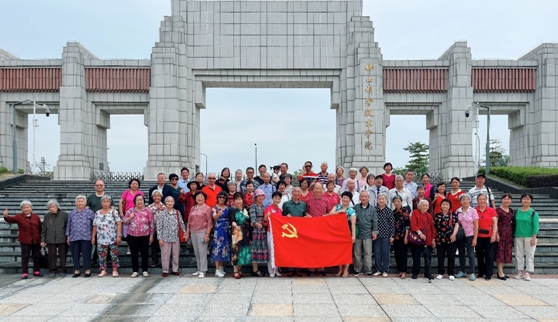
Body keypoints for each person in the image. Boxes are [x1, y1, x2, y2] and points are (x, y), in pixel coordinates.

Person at [4, 201, 43, 279]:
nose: (26, 209)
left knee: (36, 256)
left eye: (28, 207)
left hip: (36, 240)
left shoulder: (36, 217)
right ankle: (25, 272)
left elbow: (40, 228)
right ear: (22, 209)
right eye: (24, 208)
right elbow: (9, 219)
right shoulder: (19, 217)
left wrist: (41, 239)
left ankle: (36, 271)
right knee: (25, 257)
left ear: (31, 208)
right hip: (25, 240)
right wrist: (6, 216)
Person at [123, 194, 154, 278]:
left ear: (144, 201)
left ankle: (145, 270)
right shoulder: (130, 211)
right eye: (137, 200)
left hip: (145, 235)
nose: (139, 201)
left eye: (141, 200)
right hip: (132, 235)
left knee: (144, 253)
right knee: (134, 254)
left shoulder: (148, 211)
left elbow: (151, 223)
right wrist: (129, 218)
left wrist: (151, 235)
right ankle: (135, 270)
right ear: (134, 202)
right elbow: (125, 222)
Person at [327, 191, 356, 277]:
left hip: (347, 232)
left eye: (347, 198)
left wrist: (353, 235)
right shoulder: (337, 207)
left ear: (350, 200)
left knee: (347, 252)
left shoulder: (351, 210)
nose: (345, 199)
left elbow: (353, 223)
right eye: (344, 197)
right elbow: (329, 215)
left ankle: (346, 270)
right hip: (336, 232)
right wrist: (338, 213)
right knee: (338, 251)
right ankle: (340, 269)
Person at [92, 195, 122, 277]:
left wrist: (119, 235)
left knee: (114, 254)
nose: (105, 203)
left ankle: (115, 270)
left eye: (107, 201)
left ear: (110, 203)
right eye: (104, 202)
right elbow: (94, 226)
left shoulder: (113, 212)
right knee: (101, 255)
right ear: (101, 203)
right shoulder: (97, 213)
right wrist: (93, 237)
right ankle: (103, 270)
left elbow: (119, 223)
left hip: (112, 236)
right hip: (101, 237)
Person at [185, 191, 213, 278]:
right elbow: (189, 221)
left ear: (204, 198)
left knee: (202, 252)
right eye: (197, 196)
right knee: (196, 252)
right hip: (193, 232)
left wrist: (207, 234)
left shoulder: (207, 208)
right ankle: (198, 268)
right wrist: (187, 233)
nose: (199, 198)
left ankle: (203, 270)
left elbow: (209, 222)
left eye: (201, 196)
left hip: (202, 232)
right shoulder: (193, 208)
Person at [66, 195, 95, 278]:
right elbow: (69, 225)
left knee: (86, 254)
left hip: (86, 237)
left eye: (82, 201)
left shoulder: (90, 212)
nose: (80, 203)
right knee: (75, 255)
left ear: (85, 203)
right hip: (74, 237)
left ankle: (87, 270)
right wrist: (68, 236)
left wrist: (93, 237)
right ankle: (77, 270)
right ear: (75, 203)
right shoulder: (71, 213)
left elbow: (94, 225)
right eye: (78, 201)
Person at [157, 196, 186, 277]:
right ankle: (165, 270)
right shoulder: (162, 213)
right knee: (165, 254)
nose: (170, 203)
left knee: (175, 254)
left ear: (174, 203)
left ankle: (175, 269)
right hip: (165, 237)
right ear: (165, 203)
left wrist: (184, 233)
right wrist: (160, 238)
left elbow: (182, 224)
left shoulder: (177, 212)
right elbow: (159, 227)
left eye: (171, 201)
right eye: (168, 201)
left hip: (175, 237)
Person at [281, 187, 307, 277]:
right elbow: (281, 217)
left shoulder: (303, 204)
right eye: (294, 191)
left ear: (300, 193)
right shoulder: (286, 204)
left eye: (298, 192)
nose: (296, 193)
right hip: (290, 231)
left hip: (300, 231)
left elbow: (305, 216)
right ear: (292, 193)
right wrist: (286, 216)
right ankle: (290, 269)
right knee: (290, 250)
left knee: (299, 250)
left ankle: (298, 268)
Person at [86, 179, 113, 265]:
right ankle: (94, 257)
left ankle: (108, 256)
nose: (99, 186)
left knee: (107, 240)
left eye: (101, 185)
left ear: (104, 186)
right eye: (97, 185)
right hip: (95, 223)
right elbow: (87, 208)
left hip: (107, 224)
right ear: (94, 186)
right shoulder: (91, 197)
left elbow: (112, 208)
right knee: (96, 240)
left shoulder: (108, 196)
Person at [514, 194, 539, 281]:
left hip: (530, 236)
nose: (526, 200)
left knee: (529, 255)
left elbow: (536, 227)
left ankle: (528, 272)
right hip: (518, 235)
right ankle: (520, 272)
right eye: (524, 199)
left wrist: (534, 238)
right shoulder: (517, 212)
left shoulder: (533, 213)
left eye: (528, 199)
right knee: (518, 254)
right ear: (521, 200)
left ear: (531, 201)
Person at [352, 191, 378, 277]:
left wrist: (375, 232)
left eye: (365, 197)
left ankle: (368, 270)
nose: (364, 198)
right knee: (357, 253)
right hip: (358, 233)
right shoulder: (355, 208)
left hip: (368, 234)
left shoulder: (372, 209)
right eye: (362, 197)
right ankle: (357, 270)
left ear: (368, 198)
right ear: (359, 198)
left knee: (368, 253)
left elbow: (375, 221)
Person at [410, 199, 436, 282]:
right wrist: (420, 233)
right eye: (423, 205)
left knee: (428, 257)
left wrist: (433, 239)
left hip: (427, 239)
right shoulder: (415, 213)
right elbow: (413, 225)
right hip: (417, 239)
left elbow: (432, 228)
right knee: (416, 257)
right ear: (419, 206)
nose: (425, 207)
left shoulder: (429, 215)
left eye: (426, 206)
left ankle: (427, 273)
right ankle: (415, 272)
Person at [433, 199, 459, 281]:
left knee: (451, 256)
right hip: (440, 239)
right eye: (443, 204)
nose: (445, 206)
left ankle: (451, 273)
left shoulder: (453, 215)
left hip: (451, 238)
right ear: (440, 206)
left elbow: (457, 225)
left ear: (449, 206)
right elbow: (434, 227)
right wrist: (433, 238)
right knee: (440, 256)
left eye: (446, 204)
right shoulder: (437, 215)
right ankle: (440, 272)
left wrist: (454, 234)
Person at [41, 200, 68, 277]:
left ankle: (63, 269)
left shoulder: (64, 215)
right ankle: (52, 270)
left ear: (57, 207)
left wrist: (67, 237)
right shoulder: (47, 216)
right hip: (50, 239)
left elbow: (67, 227)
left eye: (53, 207)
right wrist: (43, 239)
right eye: (50, 207)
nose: (52, 208)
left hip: (62, 238)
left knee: (63, 255)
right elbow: (44, 229)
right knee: (51, 256)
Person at [455, 193, 479, 281]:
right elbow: (456, 224)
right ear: (460, 201)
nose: (465, 201)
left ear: (469, 200)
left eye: (466, 199)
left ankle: (472, 272)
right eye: (463, 200)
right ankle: (462, 271)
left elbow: (476, 225)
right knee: (461, 253)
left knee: (471, 253)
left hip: (471, 234)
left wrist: (475, 238)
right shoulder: (458, 211)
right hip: (461, 235)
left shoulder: (473, 211)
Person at [475, 193, 498, 280]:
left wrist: (494, 234)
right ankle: (481, 272)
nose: (482, 201)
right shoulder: (474, 210)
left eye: (484, 199)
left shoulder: (491, 210)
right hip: (478, 236)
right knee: (479, 255)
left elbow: (495, 223)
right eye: (480, 199)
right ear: (477, 201)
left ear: (486, 200)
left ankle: (489, 274)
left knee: (489, 255)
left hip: (489, 236)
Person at [229, 192, 252, 279]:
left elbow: (249, 221)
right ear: (234, 200)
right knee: (236, 251)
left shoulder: (246, 209)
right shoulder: (232, 210)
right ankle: (235, 271)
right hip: (237, 233)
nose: (238, 201)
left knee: (243, 251)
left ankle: (239, 269)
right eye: (236, 199)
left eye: (240, 199)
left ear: (242, 200)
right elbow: (232, 219)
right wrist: (235, 226)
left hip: (246, 232)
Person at [373, 194, 395, 277]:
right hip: (376, 236)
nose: (381, 200)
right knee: (377, 253)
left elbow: (392, 224)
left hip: (386, 235)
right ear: (377, 200)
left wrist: (392, 235)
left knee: (385, 253)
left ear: (386, 200)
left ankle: (385, 270)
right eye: (379, 199)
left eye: (383, 199)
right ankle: (378, 269)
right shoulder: (374, 210)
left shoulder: (389, 211)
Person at [263, 192, 283, 277]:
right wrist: (266, 217)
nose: (277, 200)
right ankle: (271, 270)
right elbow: (265, 223)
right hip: (270, 232)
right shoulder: (268, 209)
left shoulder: (280, 210)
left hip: (278, 234)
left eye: (278, 198)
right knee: (271, 250)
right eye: (275, 198)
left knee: (277, 251)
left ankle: (277, 269)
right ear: (272, 198)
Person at [211, 192, 231, 278]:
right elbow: (214, 217)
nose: (221, 199)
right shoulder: (215, 207)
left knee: (224, 247)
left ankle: (222, 267)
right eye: (220, 197)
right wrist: (218, 214)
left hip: (226, 229)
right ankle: (217, 269)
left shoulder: (228, 208)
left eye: (223, 197)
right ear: (217, 198)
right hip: (219, 230)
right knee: (217, 247)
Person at [495, 193, 514, 280]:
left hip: (509, 234)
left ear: (511, 201)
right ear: (501, 200)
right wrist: (496, 233)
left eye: (508, 199)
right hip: (500, 233)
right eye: (505, 199)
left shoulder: (511, 210)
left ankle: (501, 271)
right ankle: (499, 272)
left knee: (506, 252)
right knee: (500, 252)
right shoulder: (497, 210)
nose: (506, 200)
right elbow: (494, 223)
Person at [250, 189, 268, 277]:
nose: (261, 197)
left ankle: (256, 269)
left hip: (263, 229)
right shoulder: (253, 206)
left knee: (261, 249)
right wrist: (256, 223)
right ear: (256, 197)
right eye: (259, 196)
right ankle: (255, 269)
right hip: (256, 230)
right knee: (255, 249)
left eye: (262, 196)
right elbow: (252, 218)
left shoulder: (263, 206)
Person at [392, 195, 410, 279]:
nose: (396, 203)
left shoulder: (405, 212)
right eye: (395, 201)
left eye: (398, 201)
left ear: (401, 202)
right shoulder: (393, 212)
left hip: (403, 236)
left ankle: (404, 271)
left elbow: (407, 225)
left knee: (403, 254)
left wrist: (406, 236)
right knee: (397, 254)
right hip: (395, 236)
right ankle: (399, 270)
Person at [148, 190, 166, 267]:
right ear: (152, 197)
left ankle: (164, 261)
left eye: (158, 196)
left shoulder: (164, 207)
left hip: (162, 229)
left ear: (161, 197)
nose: (156, 197)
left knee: (163, 246)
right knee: (154, 245)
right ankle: (154, 260)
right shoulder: (149, 207)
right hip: (153, 229)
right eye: (155, 196)